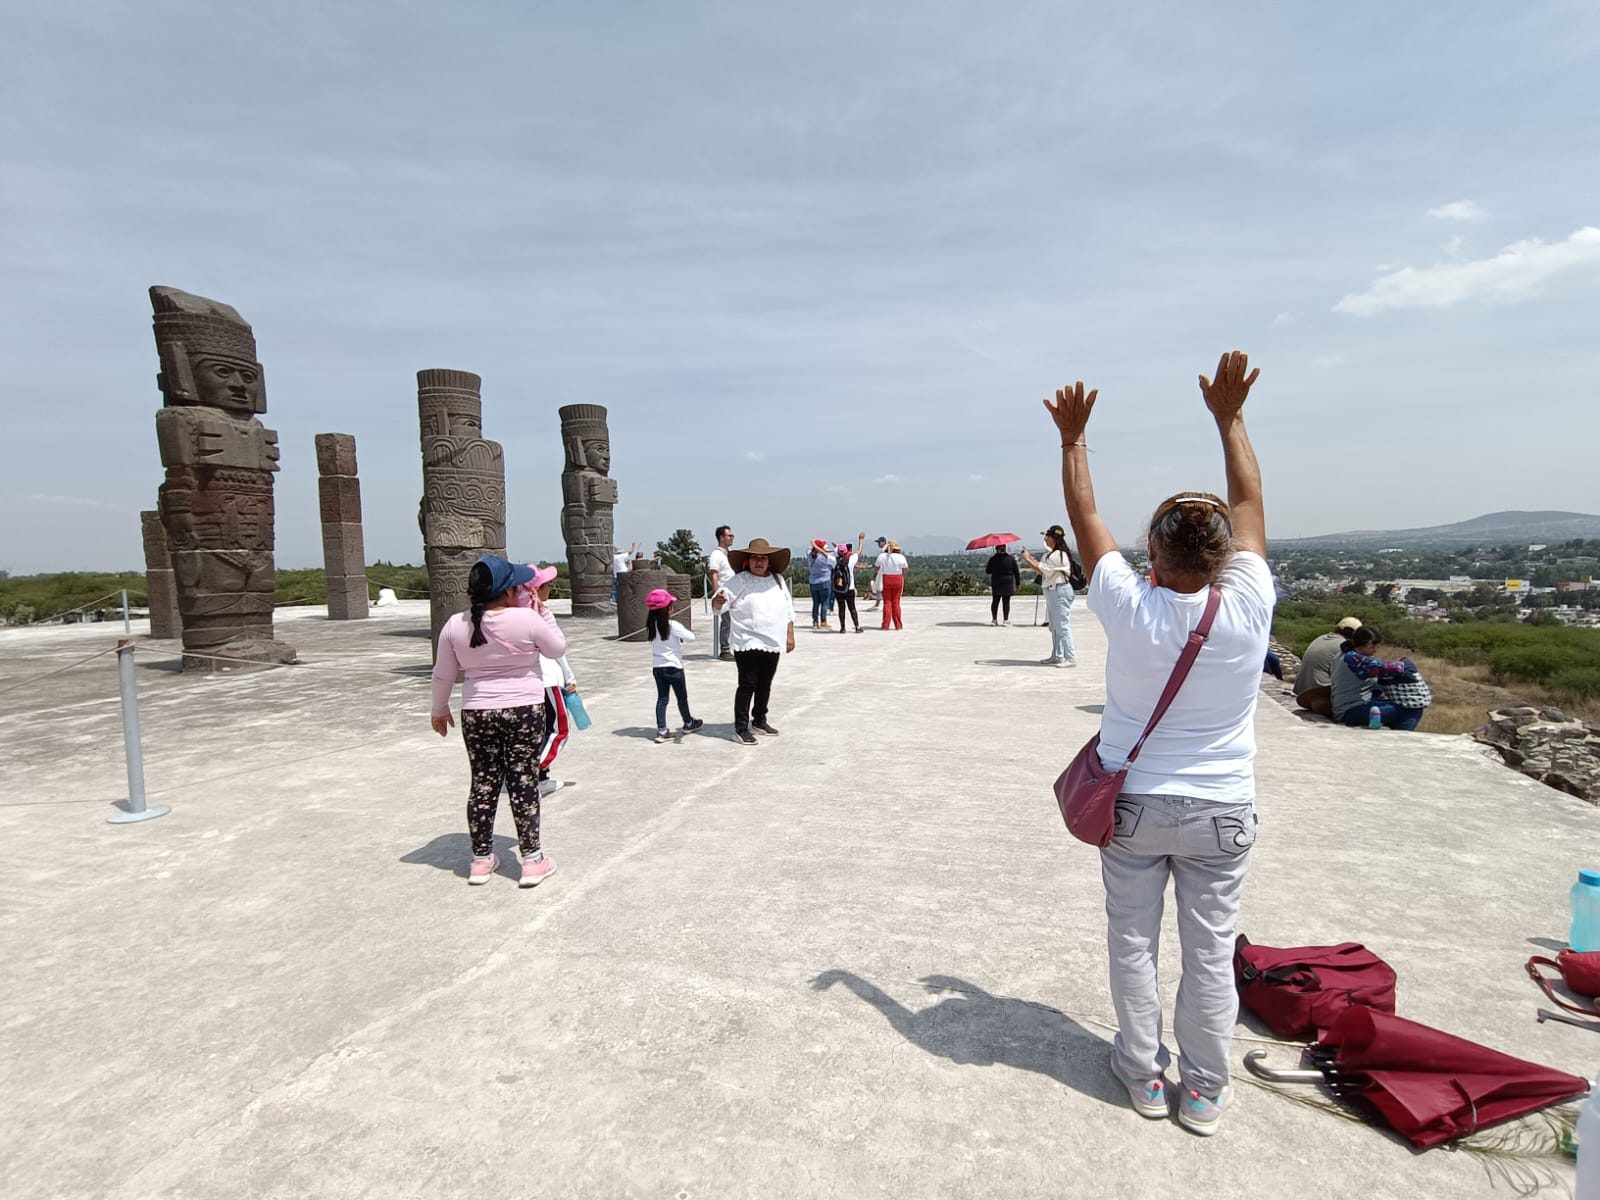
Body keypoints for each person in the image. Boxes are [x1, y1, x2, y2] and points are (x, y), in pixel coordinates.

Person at [1044, 350, 1274, 1136]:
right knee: (1209, 953)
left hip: (1135, 805)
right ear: (1226, 558)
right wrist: (1229, 418)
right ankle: (1203, 1090)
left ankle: (1143, 1074)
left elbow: (1084, 519)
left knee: (1133, 944)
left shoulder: (1128, 604)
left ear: (1152, 555)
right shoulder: (1249, 602)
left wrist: (1074, 440)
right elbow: (1250, 503)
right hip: (1221, 808)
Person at [431, 555, 568, 888]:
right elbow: (557, 648)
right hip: (524, 709)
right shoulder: (527, 619)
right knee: (523, 781)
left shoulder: (455, 624)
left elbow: (443, 674)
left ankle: (480, 860)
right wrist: (543, 611)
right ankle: (532, 860)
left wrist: (439, 709)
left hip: (477, 712)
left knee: (483, 782)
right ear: (508, 592)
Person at [711, 537, 796, 745]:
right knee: (747, 684)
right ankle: (741, 728)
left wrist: (790, 633)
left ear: (769, 561)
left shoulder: (777, 579)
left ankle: (759, 720)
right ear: (748, 560)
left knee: (765, 683)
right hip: (747, 639)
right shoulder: (739, 580)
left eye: (763, 558)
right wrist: (718, 601)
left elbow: (788, 607)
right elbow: (720, 604)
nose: (759, 562)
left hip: (772, 640)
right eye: (755, 558)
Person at [513, 565, 578, 798]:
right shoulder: (539, 615)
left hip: (525, 682)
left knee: (536, 731)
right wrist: (569, 678)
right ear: (535, 590)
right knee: (559, 730)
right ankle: (530, 775)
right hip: (547, 679)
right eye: (547, 585)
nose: (550, 588)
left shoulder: (512, 616)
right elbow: (558, 649)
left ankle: (541, 778)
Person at [1331, 626, 1429, 730]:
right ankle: (1402, 734)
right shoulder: (1354, 659)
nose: (1375, 651)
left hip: (1346, 708)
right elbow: (1384, 668)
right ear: (1369, 644)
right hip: (1352, 710)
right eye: (1375, 647)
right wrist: (1406, 665)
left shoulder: (1343, 654)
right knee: (1413, 707)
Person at [646, 588, 705, 742]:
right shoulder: (673, 625)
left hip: (658, 667)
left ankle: (662, 730)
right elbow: (691, 637)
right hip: (674, 668)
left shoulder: (651, 625)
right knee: (681, 697)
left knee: (662, 699)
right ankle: (688, 722)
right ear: (667, 609)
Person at [1021, 526, 1084, 666]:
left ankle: (1070, 657)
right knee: (1054, 626)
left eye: (1048, 536)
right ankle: (1057, 655)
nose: (1046, 539)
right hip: (1053, 591)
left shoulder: (1058, 555)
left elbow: (1040, 569)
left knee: (1062, 626)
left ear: (1054, 538)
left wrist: (1026, 559)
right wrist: (1030, 558)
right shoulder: (1053, 554)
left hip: (1059, 591)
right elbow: (1041, 567)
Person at [1291, 616, 1362, 716]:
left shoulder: (1321, 638)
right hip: (1321, 689)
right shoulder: (1344, 646)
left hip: (1302, 691)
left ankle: (1318, 702)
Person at [707, 525, 735, 661]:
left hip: (735, 592)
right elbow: (714, 574)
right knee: (727, 622)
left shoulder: (731, 553)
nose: (732, 538)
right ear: (721, 537)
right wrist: (717, 592)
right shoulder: (716, 555)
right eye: (729, 535)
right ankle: (725, 649)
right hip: (725, 592)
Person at [831, 530, 866, 633]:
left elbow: (826, 554)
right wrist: (861, 539)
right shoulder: (851, 559)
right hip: (849, 588)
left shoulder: (834, 561)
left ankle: (842, 628)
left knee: (841, 608)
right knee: (852, 608)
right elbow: (859, 551)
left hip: (839, 589)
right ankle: (857, 627)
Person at [984, 543, 1021, 625]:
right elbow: (1016, 572)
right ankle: (1005, 620)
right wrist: (1018, 583)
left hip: (996, 582)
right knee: (1006, 602)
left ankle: (994, 619)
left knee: (995, 601)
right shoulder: (1011, 559)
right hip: (1008, 582)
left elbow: (988, 571)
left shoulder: (993, 559)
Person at [876, 539, 908, 630]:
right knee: (896, 602)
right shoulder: (901, 557)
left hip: (886, 578)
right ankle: (898, 625)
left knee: (887, 602)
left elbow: (876, 567)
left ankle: (885, 625)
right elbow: (905, 569)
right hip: (898, 578)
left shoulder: (882, 556)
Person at [808, 539, 836, 630]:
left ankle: (815, 622)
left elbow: (809, 547)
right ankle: (823, 621)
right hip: (825, 581)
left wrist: (814, 545)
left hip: (813, 582)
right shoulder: (827, 557)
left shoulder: (810, 555)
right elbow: (836, 554)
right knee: (824, 602)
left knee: (816, 603)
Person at [866, 536, 887, 609]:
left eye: (879, 542)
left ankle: (877, 604)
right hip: (885, 570)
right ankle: (879, 604)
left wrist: (875, 573)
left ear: (884, 542)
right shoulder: (885, 549)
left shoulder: (884, 550)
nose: (878, 544)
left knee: (879, 587)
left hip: (882, 571)